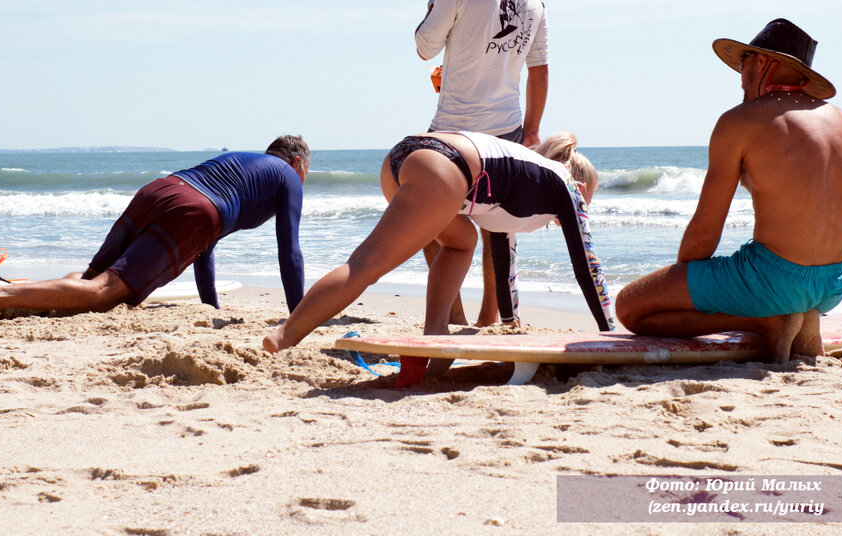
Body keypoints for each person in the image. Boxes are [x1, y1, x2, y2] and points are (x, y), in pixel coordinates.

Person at [614, 19, 842, 362]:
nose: (740, 73)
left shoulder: (741, 120)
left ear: (763, 62)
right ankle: (802, 315)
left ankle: (768, 321)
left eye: (743, 61)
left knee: (631, 307)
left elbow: (704, 235)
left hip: (775, 281)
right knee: (769, 278)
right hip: (834, 282)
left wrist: (683, 280)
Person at [263, 130, 615, 372]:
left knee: (462, 241)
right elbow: (588, 264)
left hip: (406, 157)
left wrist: (509, 323)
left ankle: (436, 328)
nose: (585, 209)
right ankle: (284, 336)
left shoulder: (527, 181)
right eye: (589, 200)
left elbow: (504, 257)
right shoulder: (564, 184)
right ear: (580, 186)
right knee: (366, 265)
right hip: (443, 164)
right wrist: (610, 333)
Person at [0, 136, 311, 322]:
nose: (303, 183)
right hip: (196, 211)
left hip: (161, 189)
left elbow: (206, 247)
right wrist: (300, 316)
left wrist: (211, 308)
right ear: (297, 162)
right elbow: (290, 252)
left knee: (91, 279)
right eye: (305, 174)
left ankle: (12, 300)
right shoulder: (287, 176)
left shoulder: (247, 164)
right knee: (104, 292)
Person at [414, 0, 550, 325]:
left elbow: (424, 47)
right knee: (498, 230)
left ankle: (452, 316)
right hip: (507, 131)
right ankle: (490, 319)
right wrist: (531, 131)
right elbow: (539, 68)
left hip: (455, 129)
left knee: (426, 220)